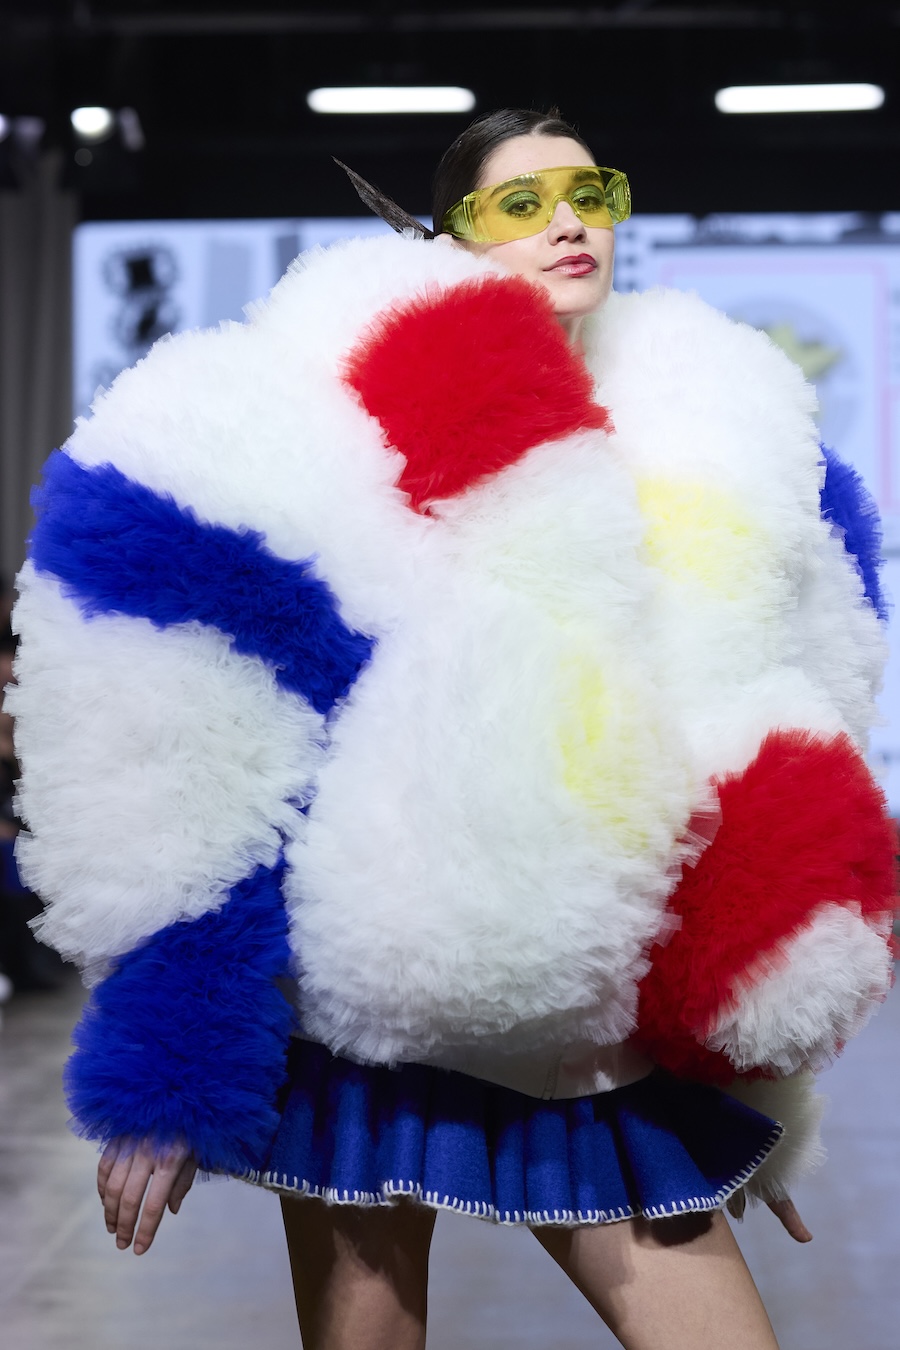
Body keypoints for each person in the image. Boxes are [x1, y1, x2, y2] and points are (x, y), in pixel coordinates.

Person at [10, 108, 895, 1350]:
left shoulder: (718, 439)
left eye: (591, 191)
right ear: (451, 235)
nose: (569, 222)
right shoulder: (328, 412)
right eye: (521, 204)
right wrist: (175, 1045)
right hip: (371, 988)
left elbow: (762, 736)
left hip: (588, 1006)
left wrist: (751, 1071)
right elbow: (196, 733)